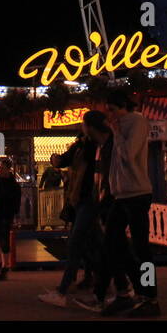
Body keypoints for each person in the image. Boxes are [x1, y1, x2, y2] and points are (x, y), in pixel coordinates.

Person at [78, 90, 159, 317]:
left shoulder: (137, 122)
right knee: (112, 244)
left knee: (142, 248)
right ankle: (124, 293)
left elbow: (128, 154)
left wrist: (116, 130)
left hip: (137, 193)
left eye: (112, 110)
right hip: (121, 194)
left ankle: (151, 297)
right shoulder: (121, 126)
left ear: (122, 106)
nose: (110, 115)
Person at [39, 115, 105, 306]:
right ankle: (106, 282)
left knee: (77, 243)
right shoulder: (84, 146)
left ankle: (64, 289)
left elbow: (64, 161)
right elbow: (63, 161)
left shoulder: (91, 147)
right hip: (84, 200)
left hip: (90, 200)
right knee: (92, 244)